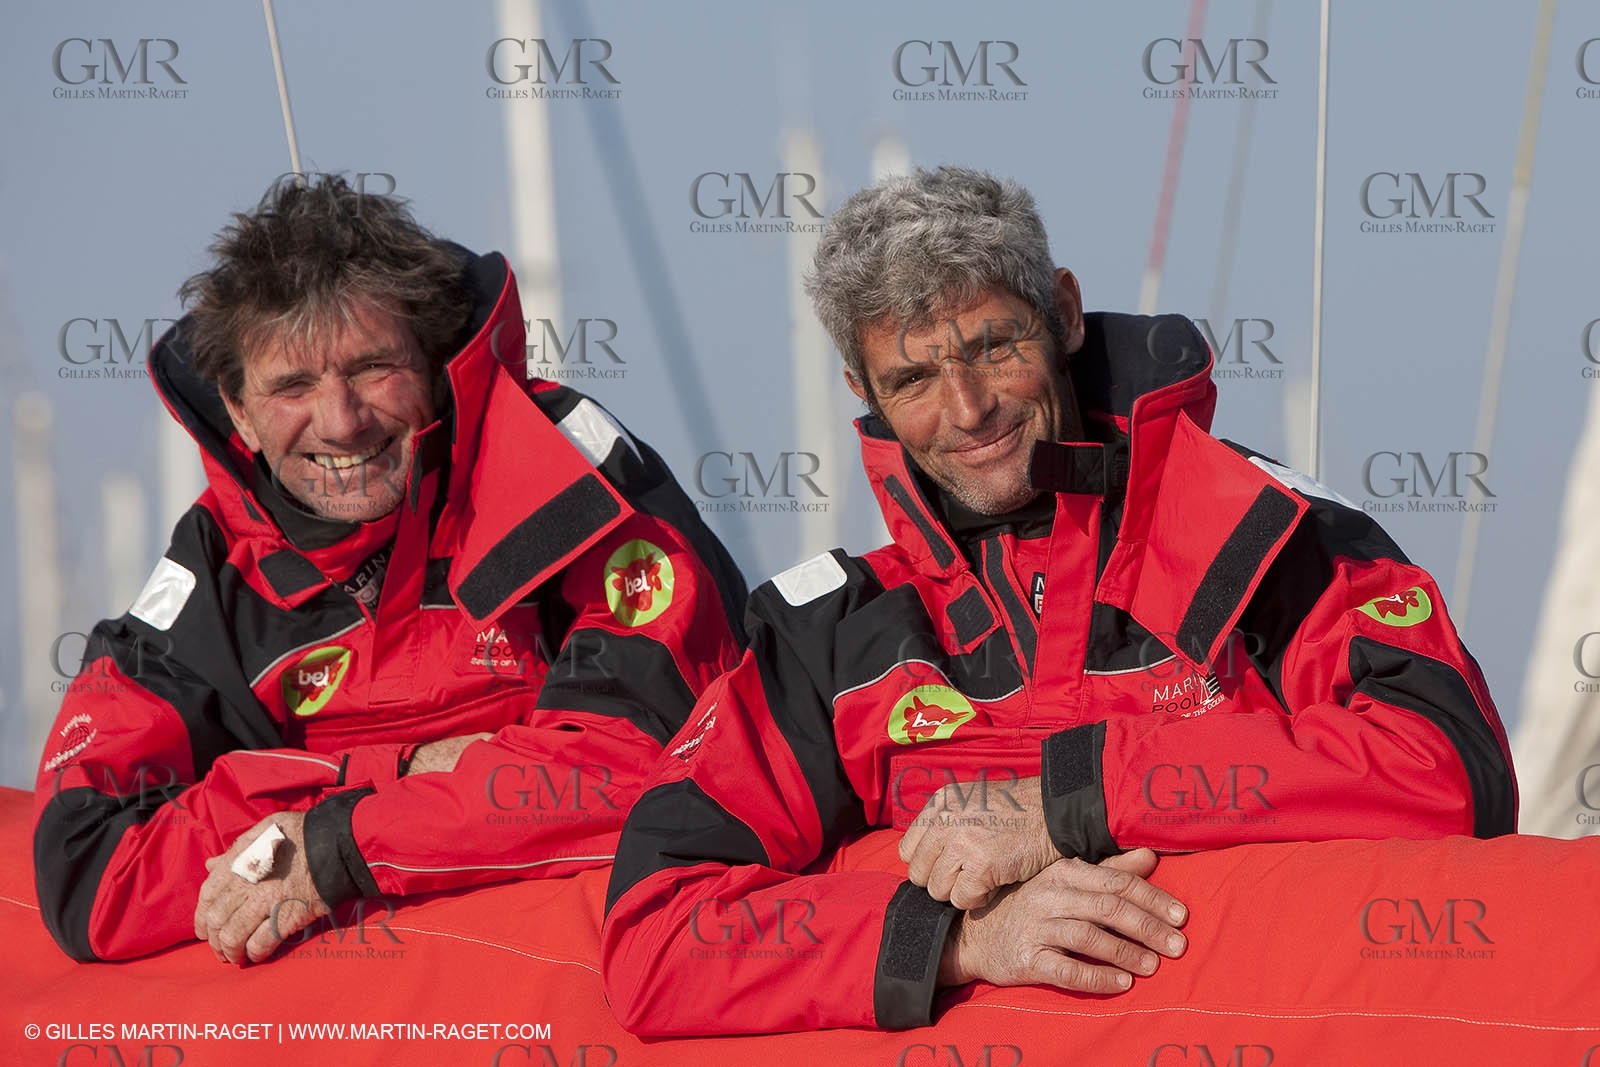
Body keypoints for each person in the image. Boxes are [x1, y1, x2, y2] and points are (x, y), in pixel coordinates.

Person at [600, 166, 1516, 1034]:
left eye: (994, 347)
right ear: (862, 392)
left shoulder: (1264, 534)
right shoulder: (829, 634)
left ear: (1065, 314)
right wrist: (956, 942)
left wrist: (1065, 803)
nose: (967, 410)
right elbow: (657, 939)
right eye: (914, 380)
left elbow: (1450, 770)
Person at [32, 175, 746, 964]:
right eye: (293, 385)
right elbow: (89, 868)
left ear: (435, 363)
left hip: (575, 981)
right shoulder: (220, 559)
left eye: (373, 367)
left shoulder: (561, 475)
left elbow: (657, 762)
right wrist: (399, 771)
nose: (342, 422)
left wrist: (333, 841)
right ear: (237, 409)